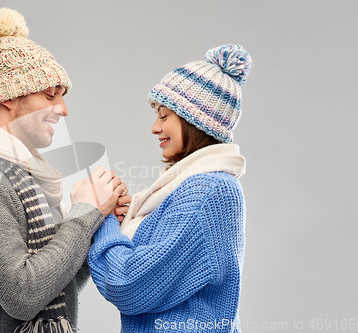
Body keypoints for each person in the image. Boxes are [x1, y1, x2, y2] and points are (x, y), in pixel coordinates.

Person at [0, 8, 128, 333]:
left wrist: (98, 220)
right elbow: (24, 295)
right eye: (51, 95)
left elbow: (54, 288)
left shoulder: (29, 175)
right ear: (9, 98)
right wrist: (83, 214)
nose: (63, 109)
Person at [88, 44, 252, 332]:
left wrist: (101, 218)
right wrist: (122, 217)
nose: (154, 127)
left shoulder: (208, 191)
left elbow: (130, 283)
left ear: (194, 120)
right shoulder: (186, 187)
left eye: (164, 116)